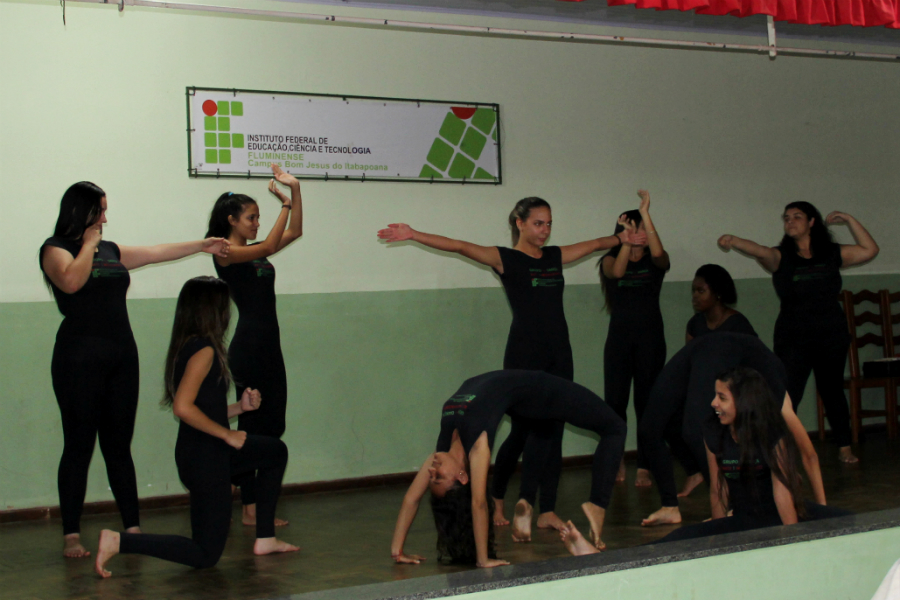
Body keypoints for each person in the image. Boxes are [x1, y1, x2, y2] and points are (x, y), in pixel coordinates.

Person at [378, 198, 641, 532]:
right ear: (519, 223)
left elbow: (593, 245)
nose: (545, 230)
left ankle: (545, 509)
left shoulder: (554, 257)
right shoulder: (506, 259)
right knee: (521, 432)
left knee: (554, 429)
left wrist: (622, 239)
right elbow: (460, 246)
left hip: (559, 353)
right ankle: (504, 497)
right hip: (524, 355)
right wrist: (415, 233)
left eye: (548, 224)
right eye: (538, 224)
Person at [39, 182, 230, 558]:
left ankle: (132, 527)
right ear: (83, 212)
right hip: (78, 359)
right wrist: (89, 245)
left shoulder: (111, 250)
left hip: (121, 357)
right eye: (101, 211)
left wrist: (200, 244)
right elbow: (72, 281)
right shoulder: (55, 250)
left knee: (118, 446)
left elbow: (155, 252)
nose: (106, 219)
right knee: (79, 445)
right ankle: (71, 534)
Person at [94, 276, 298, 578]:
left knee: (274, 452)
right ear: (212, 311)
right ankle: (120, 541)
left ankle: (265, 538)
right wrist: (227, 434)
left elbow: (204, 411)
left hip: (205, 452)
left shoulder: (190, 346)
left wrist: (240, 408)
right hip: (204, 458)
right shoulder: (204, 351)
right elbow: (183, 408)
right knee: (204, 554)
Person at [560, 366, 850, 556]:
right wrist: (718, 539)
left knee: (851, 524)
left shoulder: (772, 433)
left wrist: (791, 545)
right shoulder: (713, 430)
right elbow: (719, 490)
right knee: (681, 537)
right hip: (744, 519)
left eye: (721, 397)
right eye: (715, 395)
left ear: (743, 402)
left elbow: (783, 494)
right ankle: (598, 557)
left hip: (783, 517)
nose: (713, 403)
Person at [389, 370, 626, 567]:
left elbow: (411, 498)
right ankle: (597, 504)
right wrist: (483, 560)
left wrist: (397, 550)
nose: (431, 471)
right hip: (537, 389)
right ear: (462, 476)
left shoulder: (439, 454)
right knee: (615, 426)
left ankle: (534, 508)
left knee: (545, 427)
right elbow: (479, 503)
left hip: (522, 396)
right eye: (438, 478)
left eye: (431, 477)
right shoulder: (477, 447)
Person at [718, 203, 879, 463]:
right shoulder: (781, 256)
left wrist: (849, 219)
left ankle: (844, 447)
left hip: (831, 334)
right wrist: (734, 240)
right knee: (788, 391)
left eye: (797, 217)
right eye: (786, 218)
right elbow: (760, 250)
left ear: (812, 222)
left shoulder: (830, 253)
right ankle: (777, 446)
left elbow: (870, 250)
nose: (790, 222)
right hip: (793, 337)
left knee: (832, 390)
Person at [638, 333, 827, 527]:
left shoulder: (774, 406)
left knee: (694, 430)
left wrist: (822, 507)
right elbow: (808, 455)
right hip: (709, 344)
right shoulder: (773, 391)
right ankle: (672, 505)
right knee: (648, 428)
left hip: (718, 347)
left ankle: (733, 505)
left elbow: (809, 454)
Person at [207, 164, 303, 526]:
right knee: (253, 425)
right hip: (248, 347)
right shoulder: (225, 252)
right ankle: (250, 507)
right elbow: (272, 242)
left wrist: (295, 193)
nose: (256, 223)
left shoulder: (256, 253)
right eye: (251, 217)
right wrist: (282, 207)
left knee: (274, 422)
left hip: (269, 346)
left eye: (258, 217)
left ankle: (255, 505)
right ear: (231, 220)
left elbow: (295, 232)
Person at [599, 190, 668, 487]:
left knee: (646, 403)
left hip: (650, 339)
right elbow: (616, 272)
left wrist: (646, 213)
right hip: (619, 341)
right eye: (628, 227)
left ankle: (645, 464)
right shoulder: (608, 260)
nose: (635, 232)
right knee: (615, 403)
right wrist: (625, 242)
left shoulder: (655, 262)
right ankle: (616, 462)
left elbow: (660, 256)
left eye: (638, 227)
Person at [685, 264, 757, 343]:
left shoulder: (738, 325)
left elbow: (753, 353)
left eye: (701, 291)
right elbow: (689, 354)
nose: (695, 296)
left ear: (717, 293)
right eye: (694, 291)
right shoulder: (695, 323)